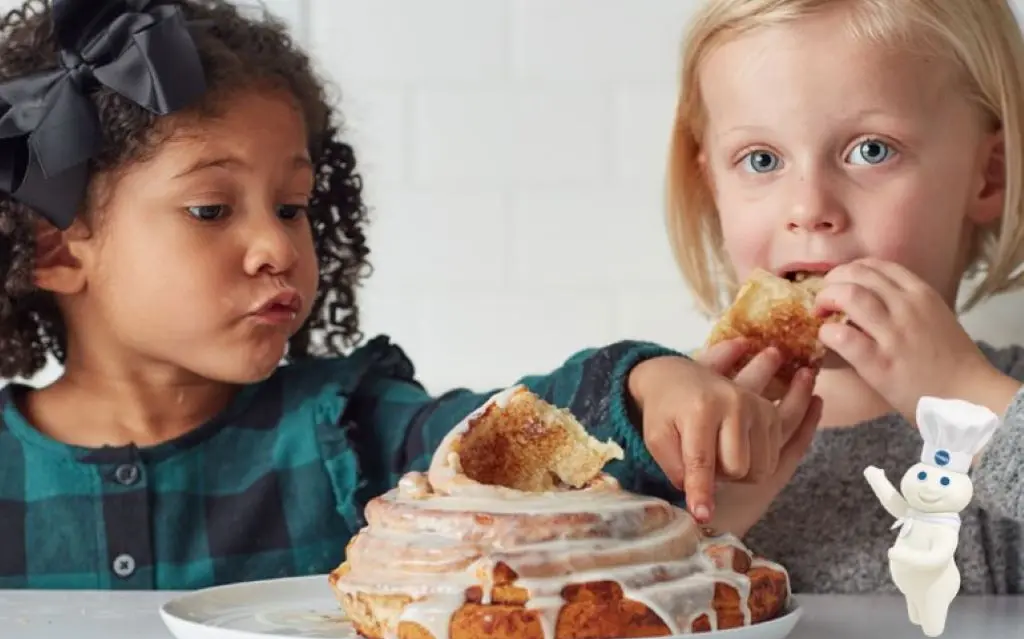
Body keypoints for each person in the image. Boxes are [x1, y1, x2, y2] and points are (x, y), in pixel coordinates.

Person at [0, 0, 816, 590]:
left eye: (293, 207)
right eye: (211, 210)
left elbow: (494, 431)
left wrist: (641, 385)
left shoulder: (352, 430)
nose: (277, 247)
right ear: (53, 249)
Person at [666, 0, 1024, 593]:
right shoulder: (674, 423)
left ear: (989, 176)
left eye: (871, 150)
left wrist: (969, 406)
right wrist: (692, 526)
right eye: (761, 160)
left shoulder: (1004, 402)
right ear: (713, 187)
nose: (809, 208)